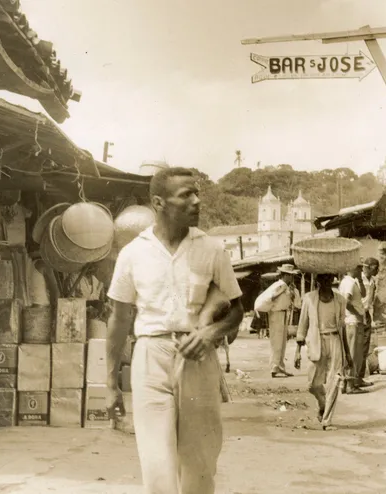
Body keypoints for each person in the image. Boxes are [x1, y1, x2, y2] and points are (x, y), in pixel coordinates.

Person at [105, 167, 244, 494]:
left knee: (199, 466)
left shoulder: (211, 249)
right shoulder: (133, 254)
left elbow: (238, 310)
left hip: (198, 358)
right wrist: (110, 383)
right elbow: (118, 320)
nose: (196, 201)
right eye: (186, 195)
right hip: (151, 359)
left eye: (197, 193)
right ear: (159, 202)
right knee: (158, 467)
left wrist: (210, 334)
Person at [297, 273, 350, 430]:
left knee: (335, 380)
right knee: (312, 384)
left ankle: (327, 420)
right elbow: (302, 325)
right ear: (318, 281)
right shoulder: (309, 299)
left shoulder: (340, 300)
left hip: (335, 340)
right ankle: (322, 402)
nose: (326, 282)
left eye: (329, 279)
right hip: (316, 341)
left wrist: (347, 352)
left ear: (332, 280)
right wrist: (297, 352)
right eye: (323, 280)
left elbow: (342, 327)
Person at [262, 264, 301, 378]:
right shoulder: (279, 285)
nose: (292, 278)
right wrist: (282, 292)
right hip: (276, 313)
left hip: (284, 313)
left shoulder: (288, 287)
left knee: (282, 341)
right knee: (277, 341)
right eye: (290, 275)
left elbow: (296, 304)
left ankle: (280, 366)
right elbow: (271, 297)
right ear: (285, 275)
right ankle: (275, 366)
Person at [338, 265, 369, 394]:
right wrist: (357, 314)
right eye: (358, 269)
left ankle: (346, 384)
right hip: (353, 322)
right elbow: (347, 302)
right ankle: (351, 385)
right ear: (352, 269)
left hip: (351, 321)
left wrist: (360, 281)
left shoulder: (350, 282)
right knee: (353, 353)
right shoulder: (349, 283)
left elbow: (363, 293)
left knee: (351, 353)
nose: (360, 271)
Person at [359, 257, 379, 386]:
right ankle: (354, 378)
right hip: (358, 314)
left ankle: (359, 377)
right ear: (371, 267)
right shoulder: (358, 279)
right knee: (357, 347)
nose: (378, 270)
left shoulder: (372, 281)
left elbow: (370, 302)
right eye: (377, 267)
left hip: (366, 314)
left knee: (364, 347)